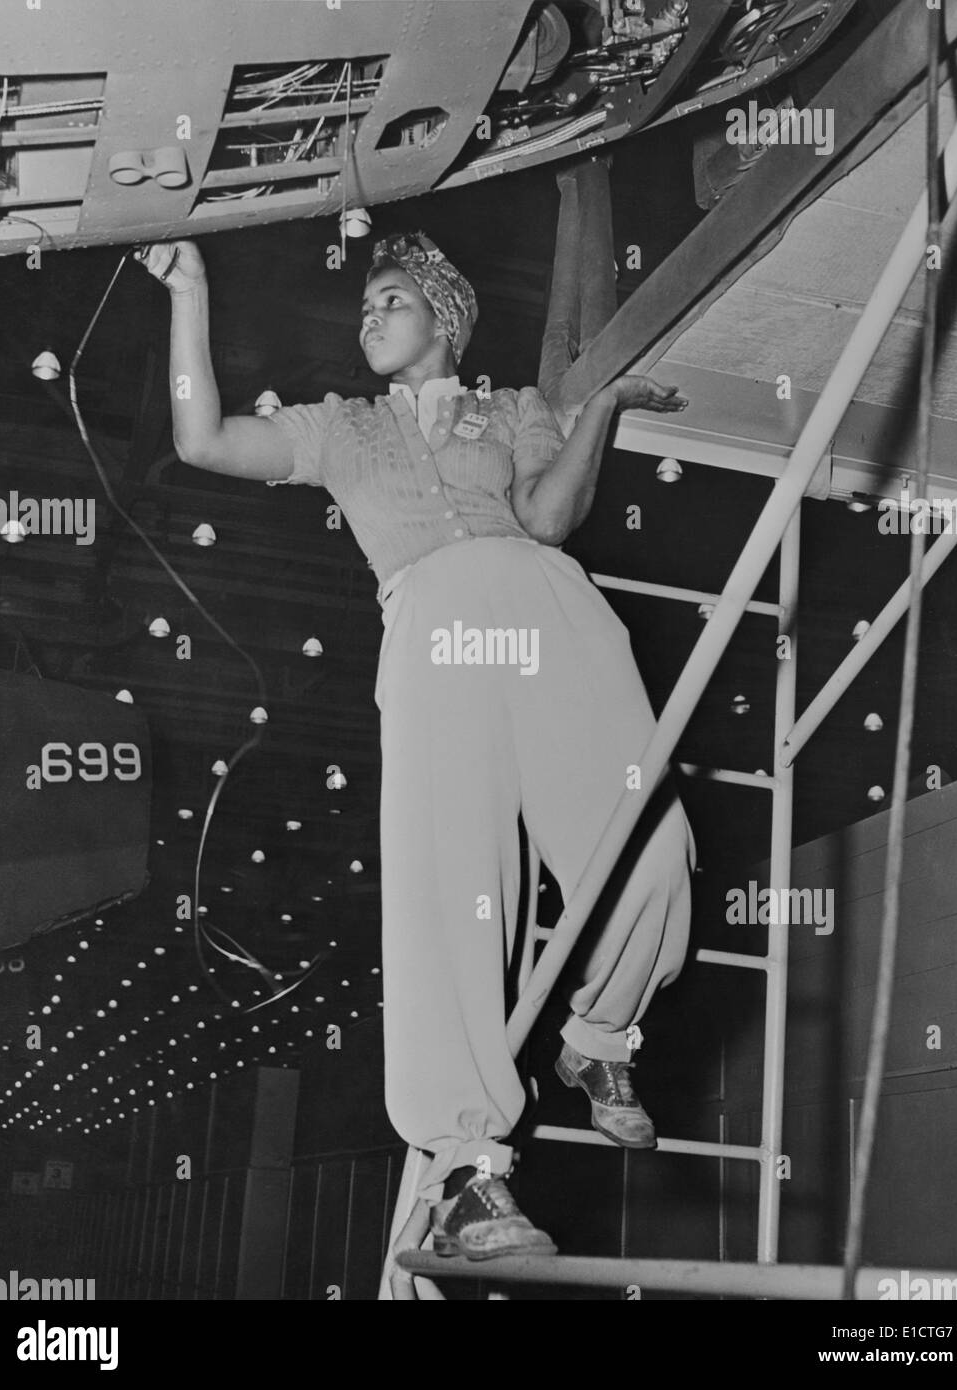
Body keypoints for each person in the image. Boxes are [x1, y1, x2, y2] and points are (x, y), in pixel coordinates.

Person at [138, 231, 696, 1262]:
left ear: (444, 314)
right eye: (362, 307)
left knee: (652, 847)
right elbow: (202, 439)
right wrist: (191, 292)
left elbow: (549, 514)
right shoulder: (339, 428)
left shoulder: (517, 409)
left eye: (388, 298)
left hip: (547, 608)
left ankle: (595, 1038)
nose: (367, 316)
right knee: (448, 896)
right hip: (434, 629)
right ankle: (467, 1171)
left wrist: (601, 410)